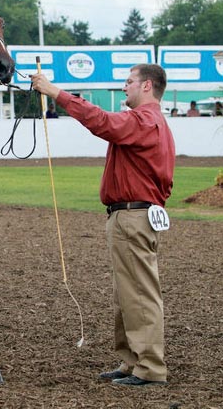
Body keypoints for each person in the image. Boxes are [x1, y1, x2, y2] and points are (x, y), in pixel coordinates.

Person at [31, 63, 175, 387]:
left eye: (129, 82)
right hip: (136, 215)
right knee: (128, 293)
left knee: (137, 293)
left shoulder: (144, 120)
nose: (125, 87)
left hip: (132, 216)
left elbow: (102, 122)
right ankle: (133, 360)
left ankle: (149, 367)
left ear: (147, 86)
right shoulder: (155, 123)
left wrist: (55, 92)